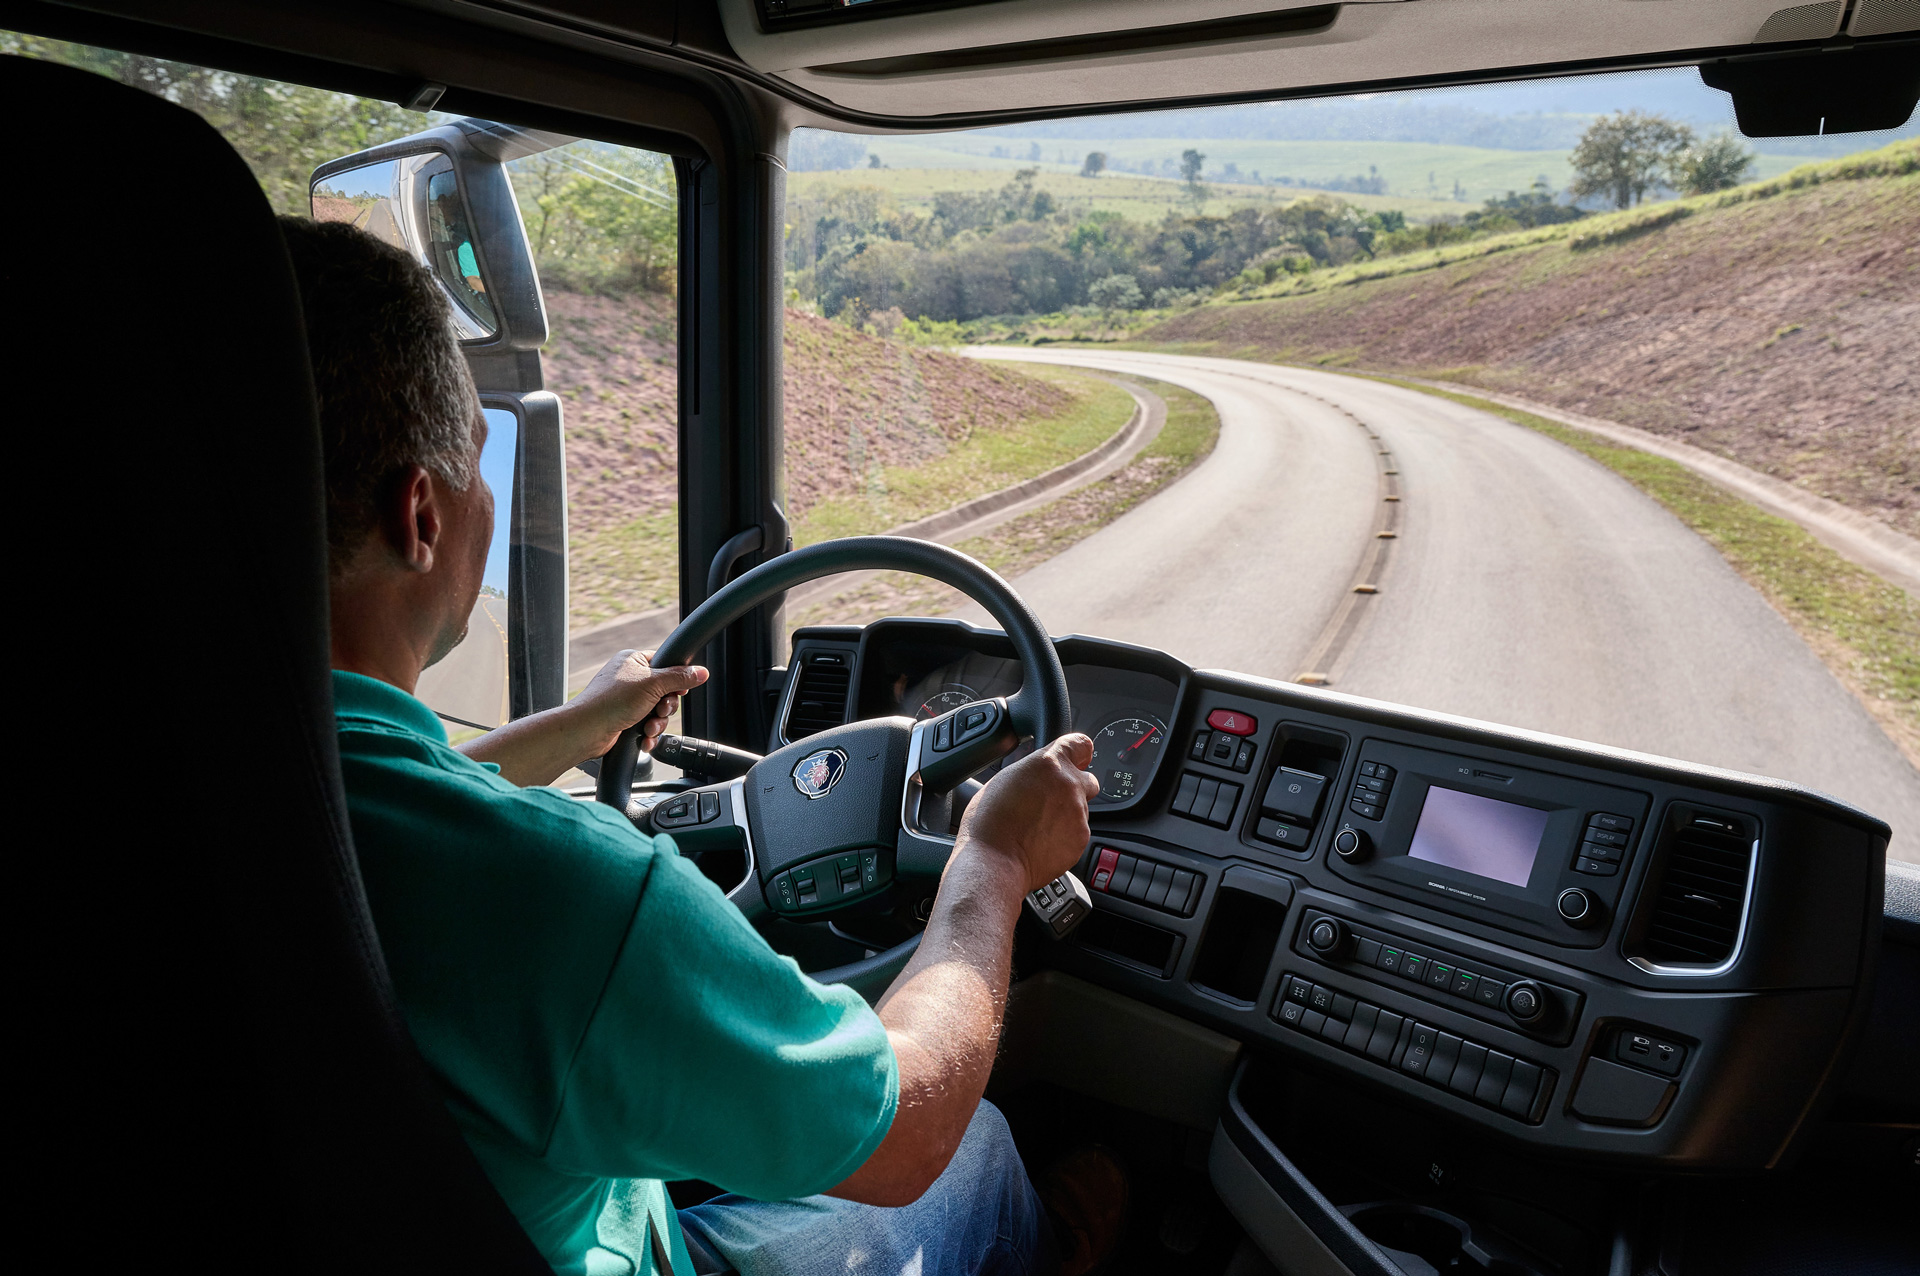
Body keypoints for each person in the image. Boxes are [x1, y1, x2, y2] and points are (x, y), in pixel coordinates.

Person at [281, 215, 1110, 1276]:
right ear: (423, 515)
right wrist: (993, 863)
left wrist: (573, 732)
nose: (488, 495)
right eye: (476, 467)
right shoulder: (563, 897)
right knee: (978, 1152)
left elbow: (375, 812)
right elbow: (905, 1133)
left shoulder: (261, 786)